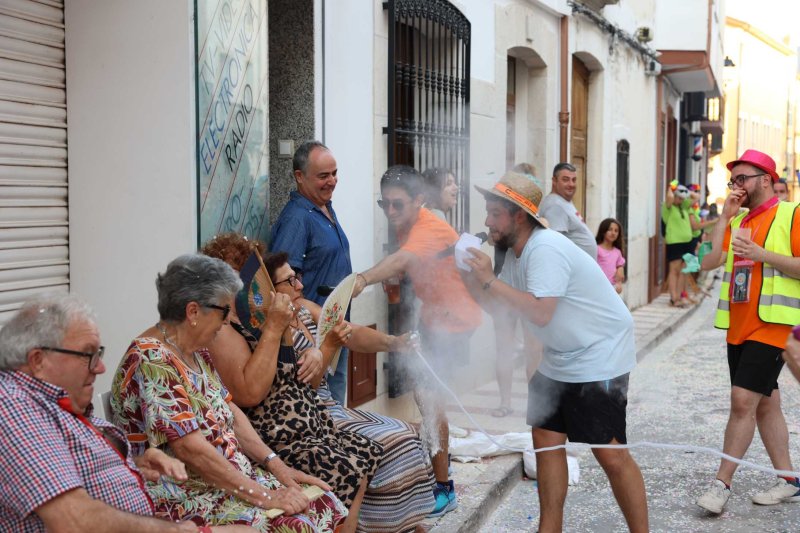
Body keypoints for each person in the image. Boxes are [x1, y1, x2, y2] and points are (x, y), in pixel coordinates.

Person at [201, 233, 436, 533]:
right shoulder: (232, 328)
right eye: (290, 280)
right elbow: (252, 393)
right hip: (280, 428)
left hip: (308, 415)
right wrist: (313, 343)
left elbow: (346, 334)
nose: (299, 285)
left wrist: (393, 343)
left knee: (377, 448)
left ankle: (401, 524)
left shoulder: (275, 314)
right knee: (360, 460)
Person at [464, 171, 648, 533]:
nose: (487, 222)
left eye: (495, 213)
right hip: (560, 353)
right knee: (545, 442)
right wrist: (469, 279)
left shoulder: (544, 248)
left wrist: (489, 280)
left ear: (519, 216)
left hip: (599, 352)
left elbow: (539, 312)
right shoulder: (513, 253)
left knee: (610, 454)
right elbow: (503, 309)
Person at [111, 254, 347, 532]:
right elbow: (191, 450)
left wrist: (275, 464)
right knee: (295, 525)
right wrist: (265, 496)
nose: (227, 322)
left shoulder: (194, 351)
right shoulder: (151, 358)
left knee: (325, 501)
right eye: (224, 312)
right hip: (186, 493)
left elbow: (230, 412)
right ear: (193, 312)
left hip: (229, 481)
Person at [0, 294, 248, 532]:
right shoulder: (14, 407)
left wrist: (133, 465)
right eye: (88, 355)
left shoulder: (50, 402)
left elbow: (67, 472)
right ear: (38, 360)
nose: (100, 367)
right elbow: (74, 521)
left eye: (98, 354)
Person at [351, 165, 483, 517]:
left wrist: (361, 280)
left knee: (429, 398)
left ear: (419, 200)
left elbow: (402, 260)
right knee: (426, 398)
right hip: (434, 316)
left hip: (454, 320)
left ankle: (444, 489)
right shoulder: (408, 223)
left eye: (398, 204)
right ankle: (439, 472)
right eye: (385, 204)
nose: (390, 212)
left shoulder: (428, 225)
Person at [697, 149, 800, 514]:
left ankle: (721, 484)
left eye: (742, 178)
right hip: (739, 328)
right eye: (733, 180)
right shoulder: (739, 220)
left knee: (742, 401)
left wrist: (762, 254)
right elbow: (709, 262)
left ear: (766, 180)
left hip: (773, 325)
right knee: (766, 405)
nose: (736, 186)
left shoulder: (791, 213)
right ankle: (788, 480)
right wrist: (724, 218)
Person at [271, 140, 351, 404]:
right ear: (299, 176)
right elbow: (284, 286)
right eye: (323, 176)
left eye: (335, 173)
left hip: (334, 331)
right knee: (328, 410)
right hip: (313, 340)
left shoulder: (324, 206)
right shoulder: (296, 219)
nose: (332, 181)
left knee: (337, 407)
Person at [538, 162, 597, 259]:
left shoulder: (562, 201)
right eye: (565, 180)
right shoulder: (555, 206)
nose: (571, 184)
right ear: (554, 181)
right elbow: (555, 245)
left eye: (574, 180)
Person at [595, 218, 626, 294]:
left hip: (612, 288)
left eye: (616, 231)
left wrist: (619, 284)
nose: (613, 233)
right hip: (598, 287)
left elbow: (620, 269)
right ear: (603, 231)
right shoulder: (597, 249)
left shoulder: (617, 252)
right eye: (610, 230)